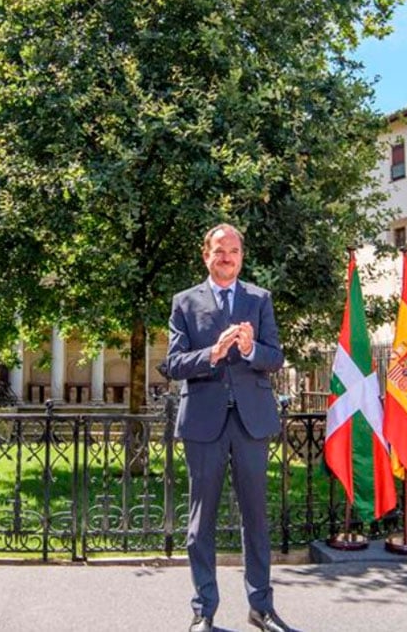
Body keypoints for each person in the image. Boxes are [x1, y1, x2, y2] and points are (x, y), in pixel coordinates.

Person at [165, 224, 291, 632]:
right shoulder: (185, 302)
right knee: (201, 522)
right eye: (220, 251)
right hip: (204, 422)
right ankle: (204, 610)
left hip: (251, 422)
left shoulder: (259, 299)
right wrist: (212, 353)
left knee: (256, 518)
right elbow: (173, 364)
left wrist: (251, 349)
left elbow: (275, 357)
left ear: (241, 256)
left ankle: (261, 608)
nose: (228, 258)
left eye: (234, 251)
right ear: (206, 256)